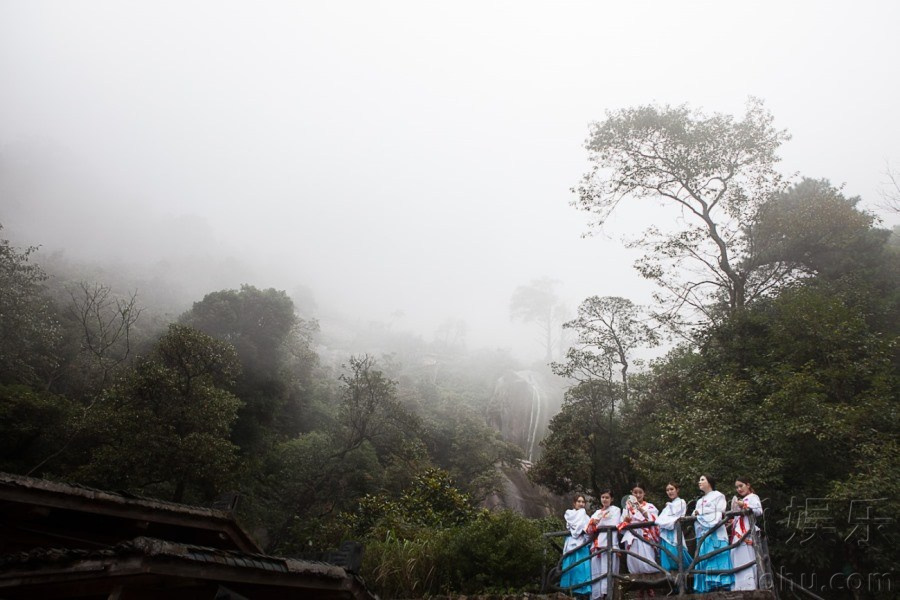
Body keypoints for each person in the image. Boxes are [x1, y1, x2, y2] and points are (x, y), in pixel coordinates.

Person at [692, 474, 734, 592]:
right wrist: (698, 513)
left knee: (717, 556)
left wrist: (700, 512)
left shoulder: (718, 495)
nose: (699, 482)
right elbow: (695, 515)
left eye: (702, 479)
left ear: (709, 482)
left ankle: (721, 585)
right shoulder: (699, 501)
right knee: (705, 559)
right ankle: (706, 587)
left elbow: (719, 511)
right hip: (702, 534)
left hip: (716, 532)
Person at [618, 484, 660, 577]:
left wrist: (640, 509)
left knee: (647, 559)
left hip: (645, 536)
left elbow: (654, 520)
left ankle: (650, 586)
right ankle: (638, 585)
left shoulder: (650, 506)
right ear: (631, 493)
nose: (637, 495)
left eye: (640, 492)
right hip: (632, 536)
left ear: (644, 493)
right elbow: (621, 522)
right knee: (634, 560)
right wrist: (626, 520)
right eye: (635, 492)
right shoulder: (627, 508)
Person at [586, 489, 621, 599]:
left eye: (607, 497)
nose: (605, 499)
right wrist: (592, 523)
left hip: (609, 543)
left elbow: (614, 524)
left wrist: (598, 524)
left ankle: (608, 594)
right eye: (603, 497)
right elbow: (589, 530)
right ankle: (598, 596)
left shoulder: (616, 510)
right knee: (597, 571)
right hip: (597, 545)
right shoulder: (596, 513)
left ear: (612, 499)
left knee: (608, 570)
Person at [730, 477, 764, 590]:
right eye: (737, 487)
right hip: (737, 535)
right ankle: (739, 587)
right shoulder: (742, 500)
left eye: (741, 486)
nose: (739, 489)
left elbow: (759, 511)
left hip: (747, 534)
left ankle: (750, 587)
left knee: (749, 560)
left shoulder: (753, 497)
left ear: (748, 485)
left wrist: (744, 506)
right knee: (738, 561)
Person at [656, 482, 692, 579]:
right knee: (666, 556)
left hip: (674, 532)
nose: (669, 492)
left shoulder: (681, 502)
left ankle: (685, 579)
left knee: (676, 554)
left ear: (677, 490)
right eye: (667, 490)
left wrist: (665, 522)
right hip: (665, 533)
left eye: (672, 489)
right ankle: (671, 583)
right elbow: (659, 520)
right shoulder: (668, 506)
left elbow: (676, 517)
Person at [561, 493, 592, 596]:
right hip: (571, 543)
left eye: (583, 502)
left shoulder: (586, 517)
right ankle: (568, 591)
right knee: (570, 567)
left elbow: (588, 530)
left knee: (581, 567)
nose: (581, 504)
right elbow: (577, 527)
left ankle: (582, 592)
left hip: (582, 544)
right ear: (574, 503)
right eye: (579, 501)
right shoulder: (569, 513)